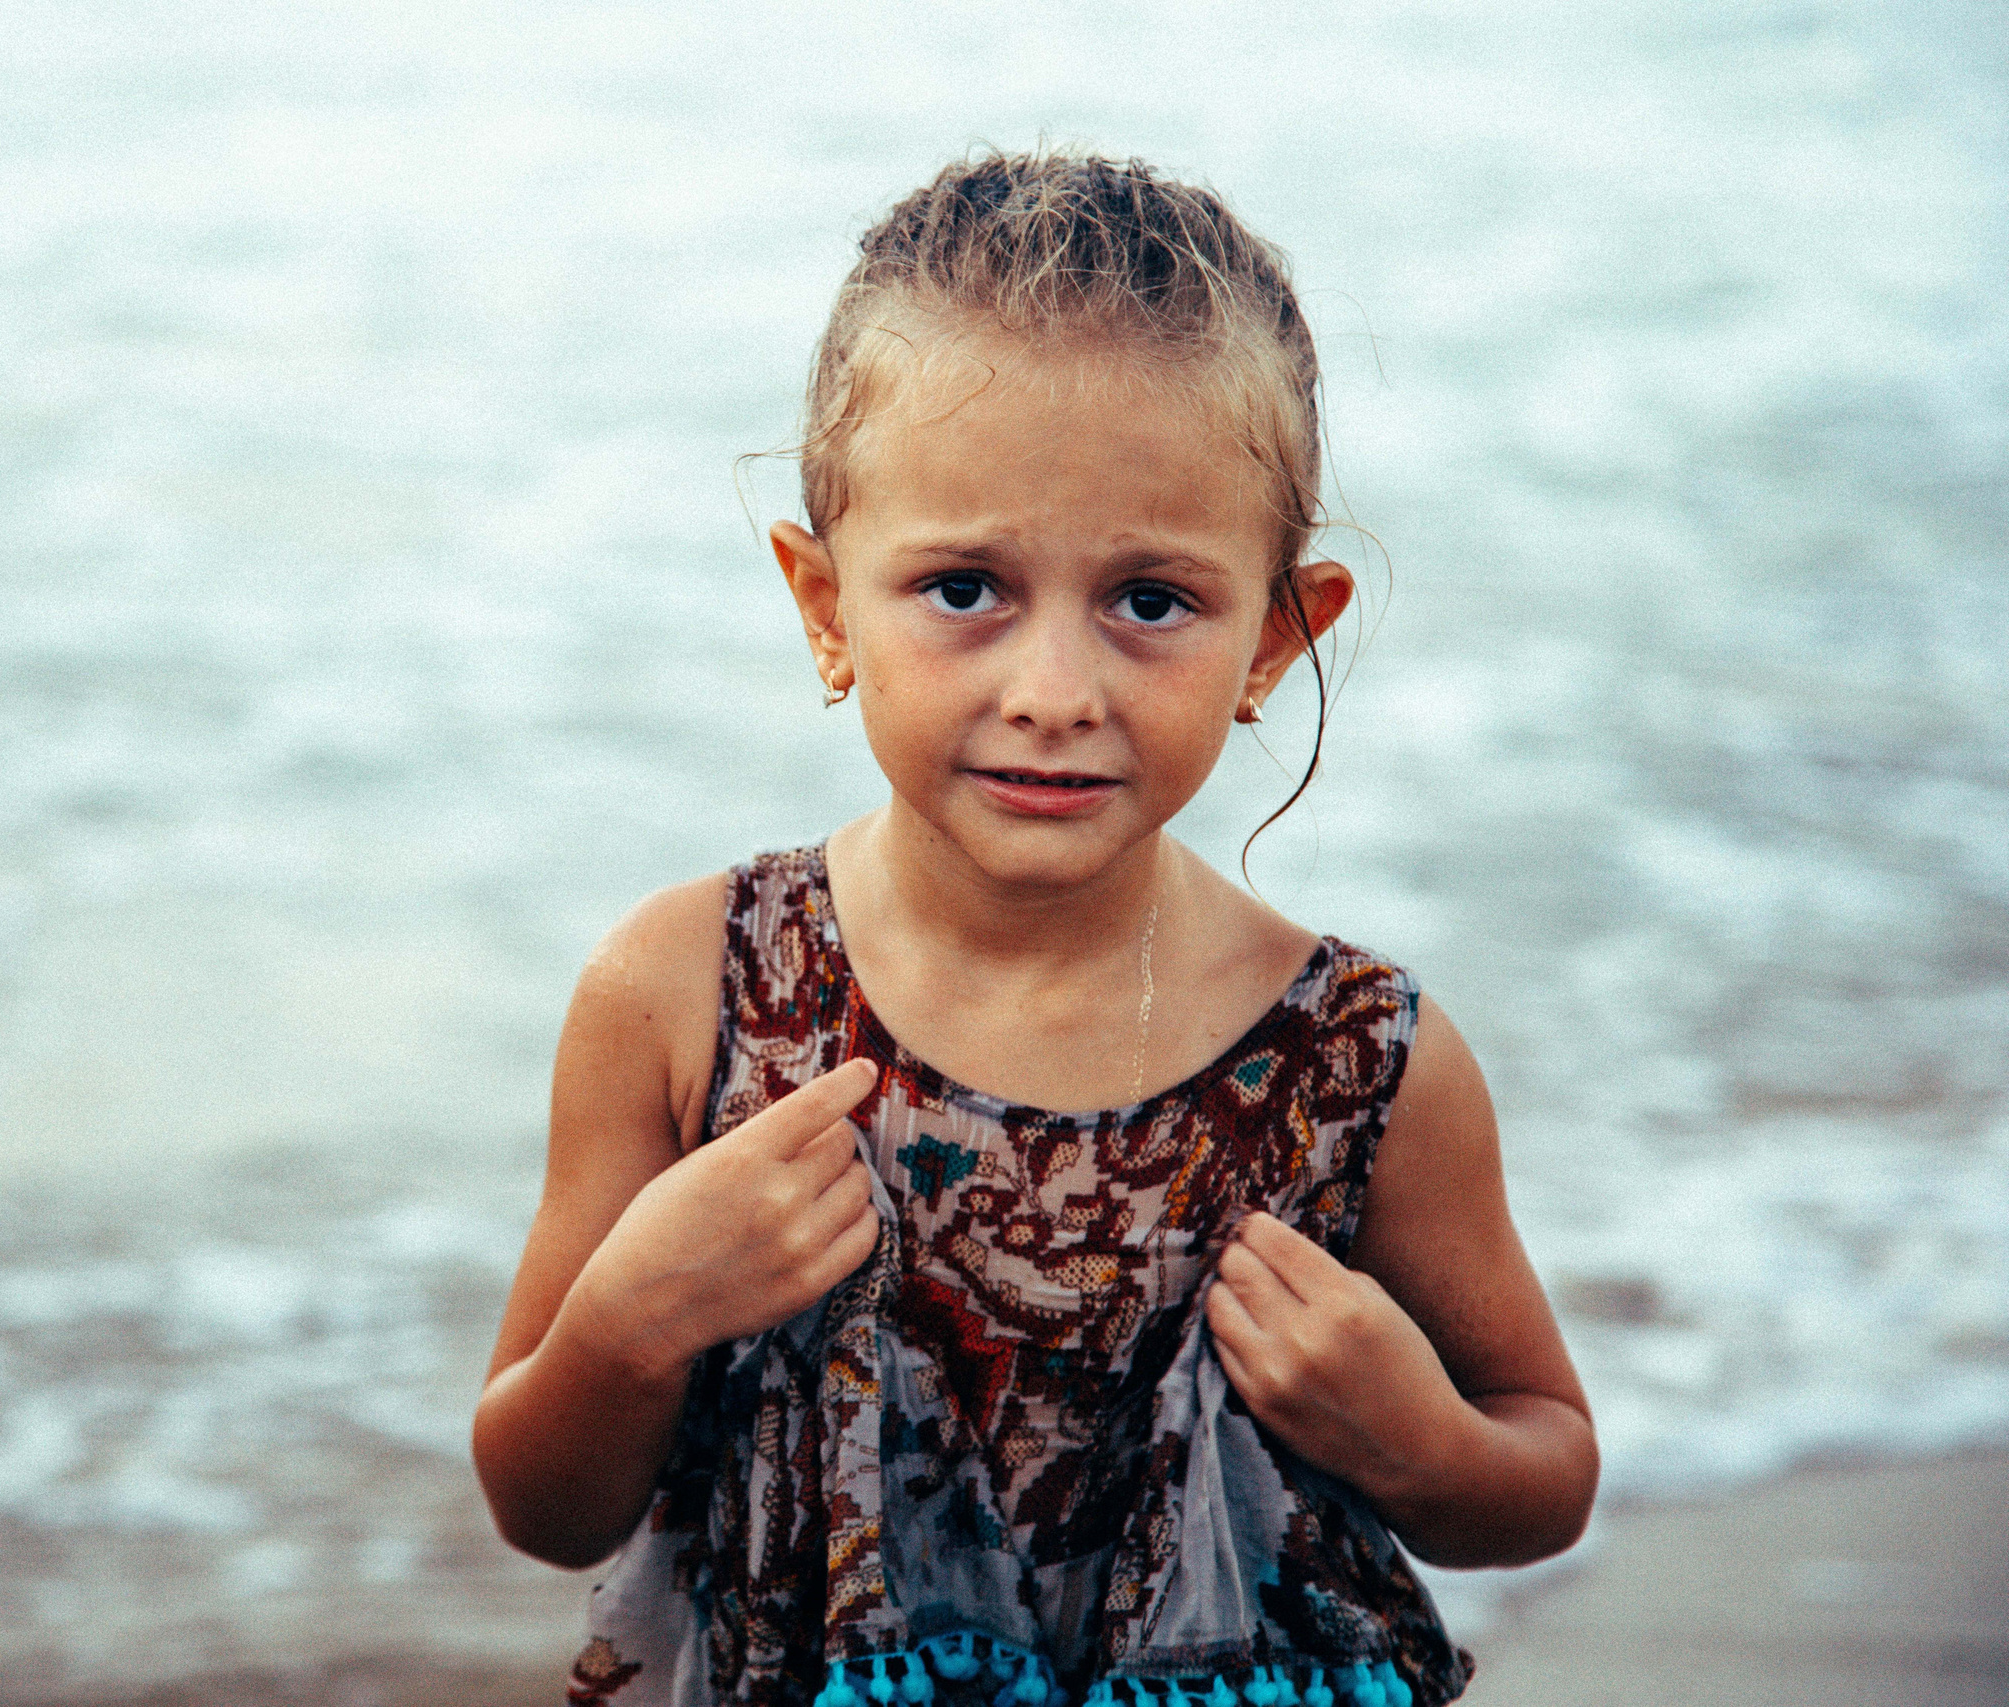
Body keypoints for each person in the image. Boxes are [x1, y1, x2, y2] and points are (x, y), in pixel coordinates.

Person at [471, 150, 1597, 1707]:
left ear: (1276, 635)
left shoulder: (1360, 1061)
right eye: (964, 588)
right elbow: (543, 1505)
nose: (1055, 692)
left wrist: (1419, 1444)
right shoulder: (688, 994)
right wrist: (630, 1320)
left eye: (1151, 601)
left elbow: (1546, 1467)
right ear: (822, 605)